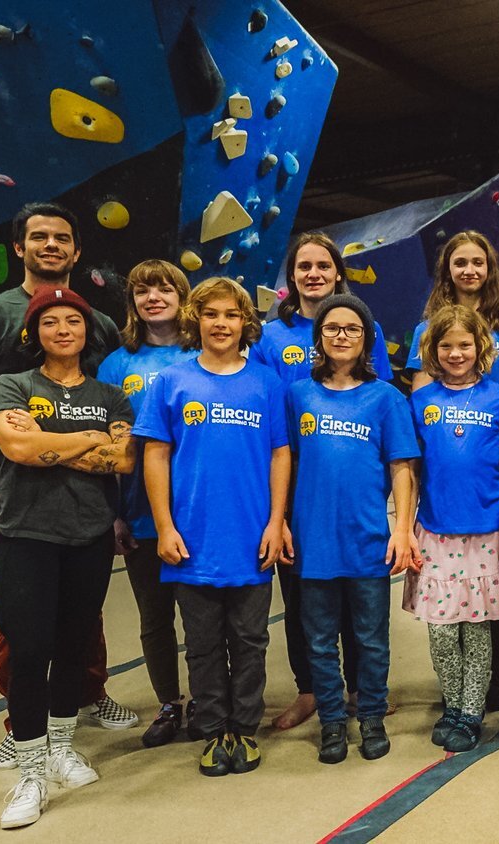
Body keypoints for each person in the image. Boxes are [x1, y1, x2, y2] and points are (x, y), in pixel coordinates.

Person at [0, 202, 136, 770]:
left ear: (77, 250)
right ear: (18, 247)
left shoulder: (99, 323)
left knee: (82, 606)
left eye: (61, 238)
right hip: (12, 487)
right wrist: (2, 451)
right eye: (38, 237)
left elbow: (118, 431)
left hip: (89, 492)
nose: (50, 246)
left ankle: (87, 696)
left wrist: (77, 448)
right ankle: (22, 724)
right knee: (22, 613)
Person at [0, 286, 135, 828]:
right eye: (51, 322)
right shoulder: (13, 385)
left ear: (87, 330)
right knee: (29, 651)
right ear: (35, 333)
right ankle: (30, 769)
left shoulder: (111, 396)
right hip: (28, 536)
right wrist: (85, 438)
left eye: (73, 320)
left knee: (74, 644)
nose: (63, 330)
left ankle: (63, 745)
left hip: (88, 537)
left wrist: (54, 443)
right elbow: (18, 449)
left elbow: (121, 459)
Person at [135, 277, 290, 776]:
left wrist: (275, 522)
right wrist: (164, 526)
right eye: (211, 314)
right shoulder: (172, 381)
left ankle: (244, 730)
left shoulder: (266, 383)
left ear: (246, 323)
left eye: (230, 315)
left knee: (250, 640)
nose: (220, 324)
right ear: (194, 320)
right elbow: (155, 456)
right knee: (201, 644)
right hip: (192, 540)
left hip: (250, 538)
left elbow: (280, 454)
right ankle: (212, 729)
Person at [249, 232, 391, 731]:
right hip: (297, 487)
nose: (313, 274)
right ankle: (311, 691)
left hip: (351, 493)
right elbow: (266, 410)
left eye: (323, 266)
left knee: (360, 603)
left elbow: (383, 416)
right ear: (292, 277)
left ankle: (361, 692)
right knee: (304, 602)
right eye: (303, 266)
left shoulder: (361, 329)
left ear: (338, 274)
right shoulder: (271, 339)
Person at [405, 231, 499, 710]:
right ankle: (461, 691)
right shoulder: (426, 333)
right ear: (448, 270)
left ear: (489, 269)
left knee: (497, 595)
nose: (469, 270)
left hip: (491, 457)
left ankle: (493, 679)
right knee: (449, 614)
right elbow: (422, 416)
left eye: (478, 262)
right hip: (445, 490)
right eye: (459, 262)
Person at [287, 294, 419, 764]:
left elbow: (402, 468)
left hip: (367, 540)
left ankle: (371, 717)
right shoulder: (298, 394)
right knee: (319, 639)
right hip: (312, 540)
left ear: (366, 340)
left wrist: (401, 529)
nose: (342, 336)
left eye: (352, 329)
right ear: (319, 337)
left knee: (370, 638)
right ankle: (331, 722)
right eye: (332, 328)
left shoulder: (385, 398)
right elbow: (284, 463)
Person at [93, 260, 199, 747]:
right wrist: (114, 511)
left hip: (202, 510)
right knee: (154, 618)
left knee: (202, 617)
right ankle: (169, 704)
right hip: (139, 512)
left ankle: (204, 698)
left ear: (182, 295)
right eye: (142, 290)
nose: (154, 297)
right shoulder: (117, 365)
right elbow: (102, 445)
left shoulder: (206, 354)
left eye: (164, 288)